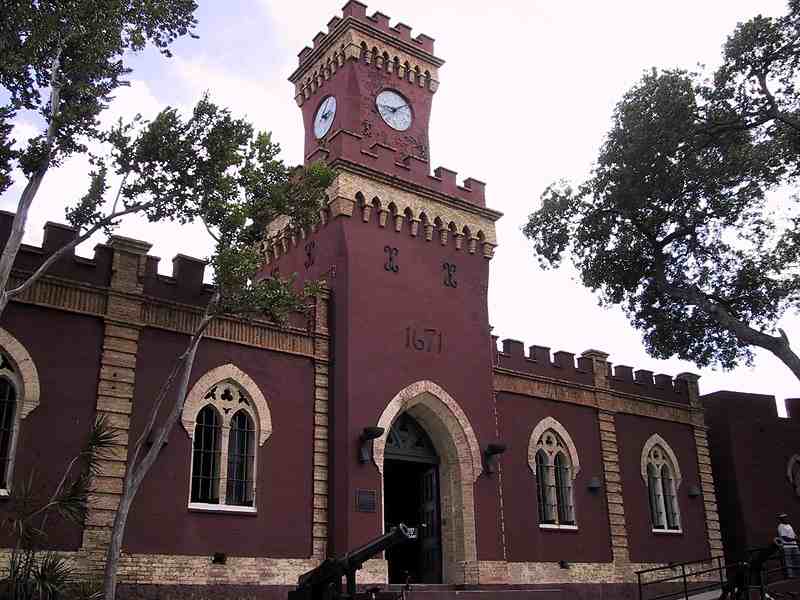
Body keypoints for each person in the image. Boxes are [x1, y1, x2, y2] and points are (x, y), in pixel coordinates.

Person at [777, 513, 799, 578]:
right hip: (787, 547)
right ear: (781, 519)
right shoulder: (781, 526)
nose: (786, 519)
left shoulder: (789, 525)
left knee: (797, 560)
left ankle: (797, 574)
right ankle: (791, 576)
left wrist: (796, 537)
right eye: (784, 518)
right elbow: (784, 538)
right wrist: (795, 539)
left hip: (794, 546)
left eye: (786, 517)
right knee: (789, 562)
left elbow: (793, 534)